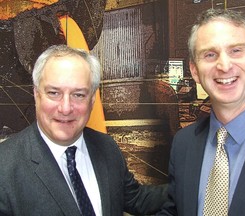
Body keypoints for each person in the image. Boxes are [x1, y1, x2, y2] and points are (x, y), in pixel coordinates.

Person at [0, 45, 167, 216]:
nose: (65, 108)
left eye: (78, 95)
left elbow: (136, 199)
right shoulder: (4, 166)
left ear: (92, 99)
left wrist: (192, 181)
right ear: (36, 94)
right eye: (54, 93)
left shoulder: (106, 146)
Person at [157, 8, 245, 216]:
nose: (224, 65)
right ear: (194, 71)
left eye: (236, 51)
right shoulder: (183, 144)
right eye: (210, 54)